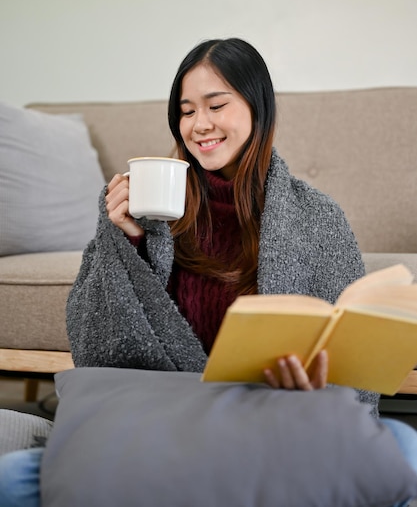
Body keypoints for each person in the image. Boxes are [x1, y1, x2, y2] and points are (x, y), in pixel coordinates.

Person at [1, 37, 417, 506]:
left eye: (216, 105)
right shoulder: (144, 210)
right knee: (12, 477)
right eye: (185, 111)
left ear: (258, 108)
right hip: (163, 426)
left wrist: (313, 392)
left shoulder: (318, 218)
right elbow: (94, 345)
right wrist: (127, 243)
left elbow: (353, 383)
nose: (199, 125)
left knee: (408, 451)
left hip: (272, 426)